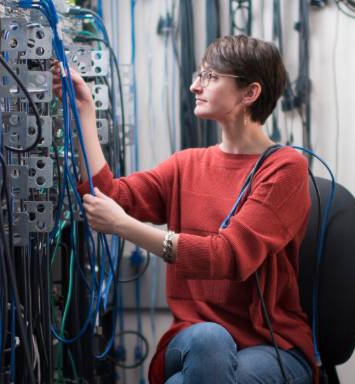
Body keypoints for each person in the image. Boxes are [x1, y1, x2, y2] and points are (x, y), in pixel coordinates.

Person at [56, 35, 317, 384]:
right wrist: (84, 113)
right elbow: (109, 196)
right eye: (198, 74)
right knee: (210, 339)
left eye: (210, 77)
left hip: (271, 346)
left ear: (249, 93)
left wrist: (124, 227)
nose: (195, 85)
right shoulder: (187, 164)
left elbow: (229, 256)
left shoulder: (285, 169)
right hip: (195, 342)